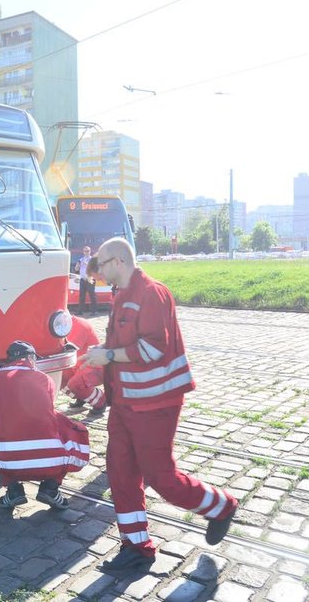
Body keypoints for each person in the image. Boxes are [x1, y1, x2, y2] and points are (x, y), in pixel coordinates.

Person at [82, 237, 238, 573]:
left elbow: (152, 349)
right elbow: (120, 345)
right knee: (121, 474)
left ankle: (221, 506)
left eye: (102, 264)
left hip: (156, 404)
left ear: (119, 262)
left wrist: (107, 355)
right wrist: (100, 365)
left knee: (160, 477)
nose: (99, 271)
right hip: (125, 403)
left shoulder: (152, 293)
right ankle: (137, 546)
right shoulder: (121, 295)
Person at [0, 340, 91, 510]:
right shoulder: (45, 379)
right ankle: (51, 488)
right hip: (51, 462)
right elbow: (46, 411)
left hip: (8, 462)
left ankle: (13, 489)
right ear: (31, 359)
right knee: (63, 423)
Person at [61, 315, 106, 411]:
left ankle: (101, 401)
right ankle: (82, 396)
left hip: (96, 366)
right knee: (59, 377)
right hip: (80, 365)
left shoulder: (78, 324)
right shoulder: (63, 324)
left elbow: (65, 350)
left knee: (74, 384)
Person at [74, 246, 98, 315]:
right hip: (83, 279)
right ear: (83, 252)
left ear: (90, 251)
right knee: (82, 296)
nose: (86, 252)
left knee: (92, 295)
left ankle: (94, 311)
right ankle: (80, 311)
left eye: (87, 251)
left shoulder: (92, 259)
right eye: (85, 251)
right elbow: (76, 269)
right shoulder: (80, 259)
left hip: (90, 279)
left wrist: (86, 264)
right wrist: (78, 266)